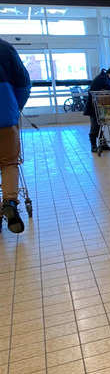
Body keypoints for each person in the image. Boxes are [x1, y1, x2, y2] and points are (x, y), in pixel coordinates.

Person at [0, 38, 31, 234]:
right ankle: (10, 201)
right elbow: (23, 83)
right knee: (9, 162)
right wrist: (15, 108)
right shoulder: (5, 48)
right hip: (4, 116)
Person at [84, 67, 110, 153]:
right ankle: (93, 146)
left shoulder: (102, 77)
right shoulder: (103, 78)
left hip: (97, 105)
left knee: (100, 126)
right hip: (94, 107)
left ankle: (103, 144)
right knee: (95, 126)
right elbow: (109, 88)